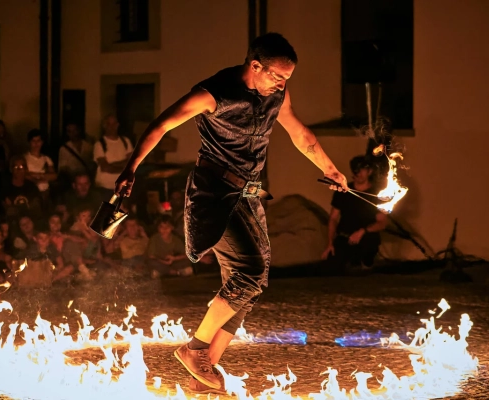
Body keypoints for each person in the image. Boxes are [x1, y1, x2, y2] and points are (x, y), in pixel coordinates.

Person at [113, 32, 348, 393]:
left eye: (287, 79)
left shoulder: (277, 95)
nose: (283, 85)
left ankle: (207, 365)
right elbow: (161, 125)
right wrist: (131, 169)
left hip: (249, 194)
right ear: (255, 66)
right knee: (249, 272)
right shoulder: (214, 93)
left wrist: (331, 169)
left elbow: (300, 134)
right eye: (277, 77)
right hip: (214, 192)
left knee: (253, 283)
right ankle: (194, 350)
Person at [322, 156, 388, 272]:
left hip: (366, 238)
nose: (358, 172)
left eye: (361, 169)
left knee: (366, 260)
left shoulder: (377, 194)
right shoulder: (343, 191)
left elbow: (382, 223)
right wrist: (330, 243)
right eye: (355, 169)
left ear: (369, 171)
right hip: (345, 237)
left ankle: (365, 262)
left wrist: (362, 231)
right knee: (331, 265)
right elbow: (333, 219)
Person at [94, 115, 134, 199]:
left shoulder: (125, 141)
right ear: (104, 126)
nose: (111, 127)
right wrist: (124, 167)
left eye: (113, 124)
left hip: (123, 187)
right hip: (105, 188)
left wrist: (113, 165)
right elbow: (105, 168)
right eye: (108, 124)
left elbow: (131, 162)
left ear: (117, 125)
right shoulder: (99, 144)